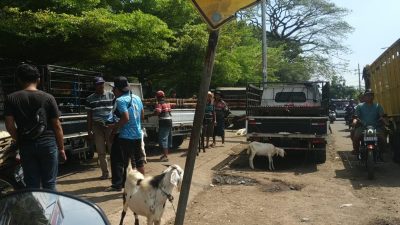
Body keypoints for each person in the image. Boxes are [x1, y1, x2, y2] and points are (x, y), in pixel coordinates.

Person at [4, 64, 66, 190]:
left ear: (19, 80)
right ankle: (50, 209)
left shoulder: (11, 99)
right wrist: (61, 148)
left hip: (26, 146)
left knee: (31, 185)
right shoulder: (48, 98)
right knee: (49, 183)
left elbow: (9, 126)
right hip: (48, 144)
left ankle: (35, 210)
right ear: (38, 79)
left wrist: (20, 139)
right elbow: (57, 126)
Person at [111, 76, 145, 183]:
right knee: (139, 161)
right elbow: (142, 115)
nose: (113, 91)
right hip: (138, 135)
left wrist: (115, 126)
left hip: (126, 136)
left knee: (126, 162)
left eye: (113, 89)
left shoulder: (120, 100)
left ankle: (126, 186)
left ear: (117, 89)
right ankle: (142, 184)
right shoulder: (137, 98)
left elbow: (125, 117)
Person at [86, 76, 114, 180]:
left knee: (113, 150)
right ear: (95, 85)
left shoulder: (111, 95)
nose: (101, 86)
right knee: (101, 151)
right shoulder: (89, 99)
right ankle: (105, 173)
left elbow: (116, 111)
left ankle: (116, 173)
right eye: (98, 84)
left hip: (110, 125)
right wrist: (89, 131)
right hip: (97, 126)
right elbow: (89, 116)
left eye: (102, 83)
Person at [352, 89, 386, 155]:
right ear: (364, 97)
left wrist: (385, 121)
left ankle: (382, 153)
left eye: (371, 95)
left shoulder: (378, 106)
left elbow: (382, 116)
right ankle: (356, 151)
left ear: (373, 97)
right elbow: (356, 117)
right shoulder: (360, 106)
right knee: (355, 138)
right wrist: (354, 122)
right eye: (368, 95)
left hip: (375, 127)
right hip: (363, 127)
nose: (370, 97)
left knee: (383, 139)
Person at [155, 90, 172, 162]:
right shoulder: (167, 103)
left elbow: (158, 112)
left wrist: (153, 112)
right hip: (169, 121)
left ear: (158, 97)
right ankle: (165, 154)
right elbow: (169, 111)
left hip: (164, 122)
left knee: (164, 139)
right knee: (167, 138)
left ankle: (165, 156)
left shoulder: (159, 103)